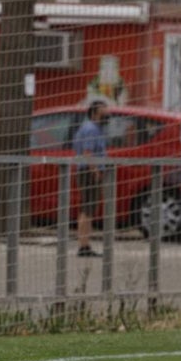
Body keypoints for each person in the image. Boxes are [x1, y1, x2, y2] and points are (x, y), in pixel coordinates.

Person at [72, 100, 108, 258]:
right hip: (88, 171)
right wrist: (95, 171)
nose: (107, 115)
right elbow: (88, 153)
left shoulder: (90, 128)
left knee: (87, 208)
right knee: (88, 208)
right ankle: (84, 245)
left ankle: (85, 244)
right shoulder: (92, 129)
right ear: (94, 113)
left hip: (86, 171)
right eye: (103, 112)